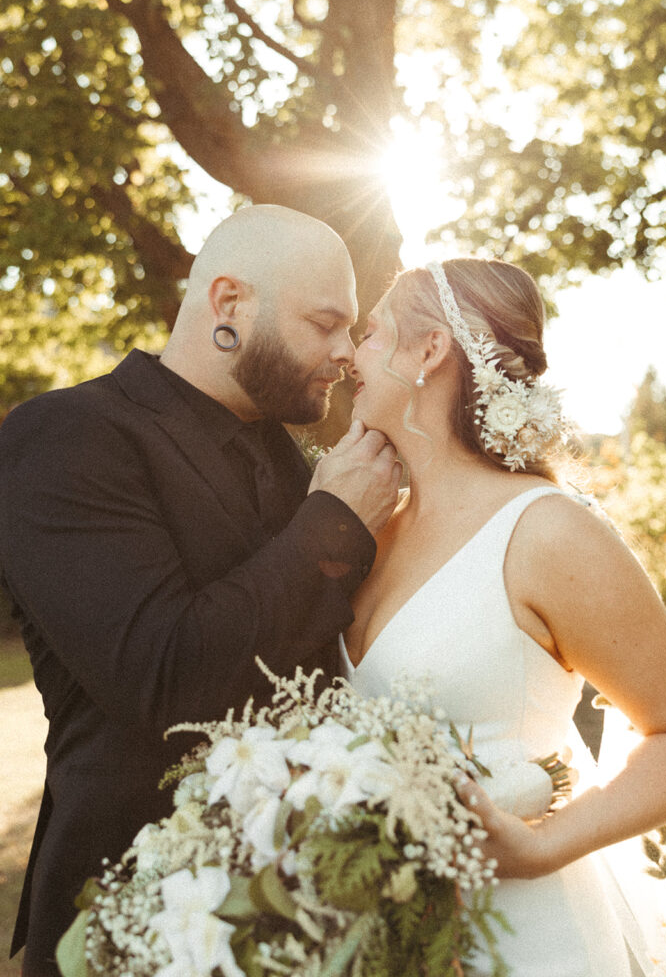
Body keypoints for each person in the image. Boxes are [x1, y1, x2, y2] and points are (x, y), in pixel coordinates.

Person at [0, 204, 402, 977]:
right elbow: (162, 672)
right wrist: (336, 520)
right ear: (228, 305)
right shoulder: (66, 437)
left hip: (303, 916)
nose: (346, 352)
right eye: (324, 323)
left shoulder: (296, 463)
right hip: (127, 918)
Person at [340, 258, 666, 976]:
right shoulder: (364, 530)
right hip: (381, 938)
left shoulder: (545, 531)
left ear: (429, 352)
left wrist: (542, 846)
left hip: (527, 937)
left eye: (370, 332)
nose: (348, 353)